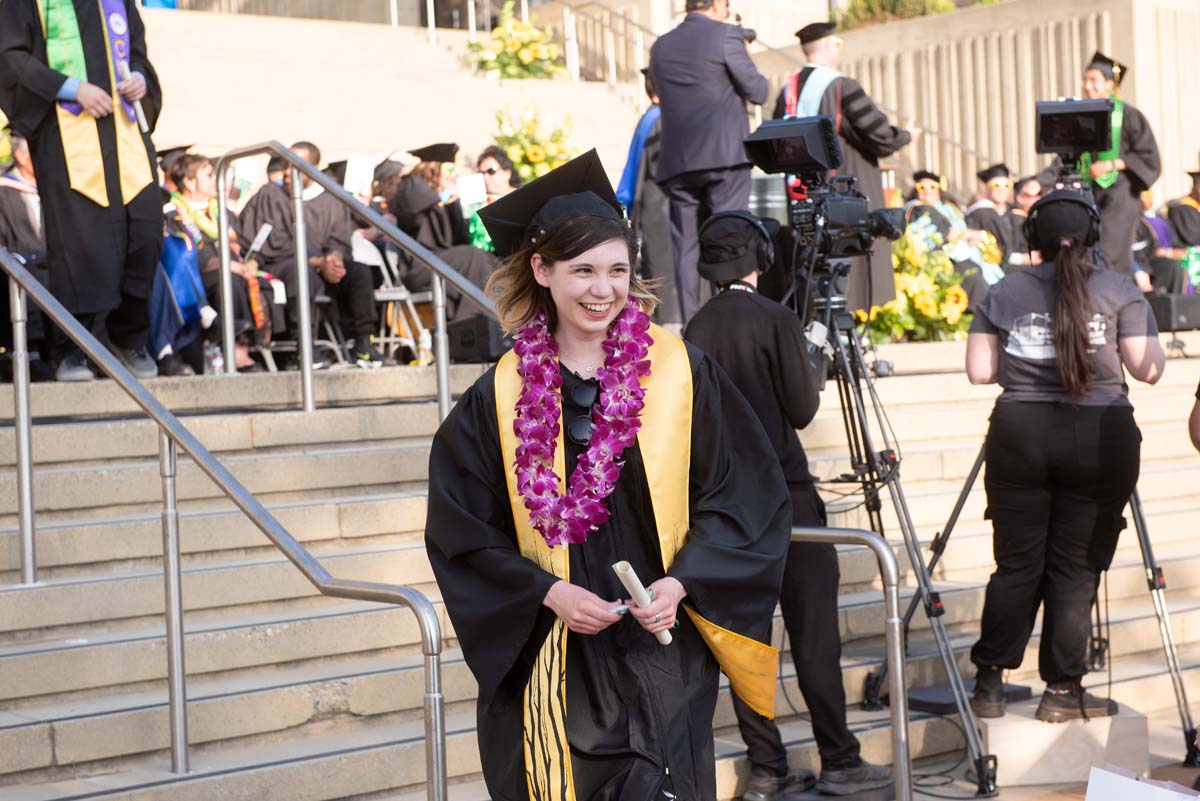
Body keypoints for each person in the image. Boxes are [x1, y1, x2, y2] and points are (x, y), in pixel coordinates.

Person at [425, 150, 791, 801]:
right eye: (583, 269)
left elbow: (742, 494)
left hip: (661, 645)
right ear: (541, 270)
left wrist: (685, 582)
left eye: (618, 269)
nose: (604, 288)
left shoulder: (681, 372)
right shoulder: (499, 397)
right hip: (557, 650)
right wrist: (546, 592)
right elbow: (463, 531)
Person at [684, 212, 893, 800]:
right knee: (814, 635)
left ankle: (767, 767)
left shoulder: (692, 330)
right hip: (789, 497)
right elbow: (802, 411)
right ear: (759, 261)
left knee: (746, 640)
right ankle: (840, 759)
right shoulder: (776, 318)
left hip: (724, 506)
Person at [965, 189, 1165, 722]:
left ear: (1033, 239)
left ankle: (989, 682)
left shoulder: (1003, 289)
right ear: (1093, 237)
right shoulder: (1119, 289)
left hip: (1020, 435)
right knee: (1077, 568)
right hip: (1099, 437)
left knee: (1016, 563)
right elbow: (1147, 368)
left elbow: (980, 372)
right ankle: (1060, 692)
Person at [0, 0, 164, 382]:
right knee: (78, 243)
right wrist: (70, 88)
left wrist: (139, 75)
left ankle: (128, 337)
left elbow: (137, 52)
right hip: (69, 135)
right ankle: (73, 349)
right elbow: (10, 58)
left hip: (126, 137)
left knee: (145, 232)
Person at [772, 21, 913, 310]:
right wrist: (906, 135)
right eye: (837, 43)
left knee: (811, 250)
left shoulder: (789, 91)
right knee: (848, 253)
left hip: (804, 190)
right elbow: (879, 136)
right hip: (844, 183)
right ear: (826, 45)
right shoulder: (840, 85)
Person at [649, 0, 768, 323]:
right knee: (729, 237)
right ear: (717, 3)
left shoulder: (660, 46)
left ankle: (695, 325)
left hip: (678, 162)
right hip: (724, 156)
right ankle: (732, 322)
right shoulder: (726, 37)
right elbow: (758, 91)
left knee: (686, 248)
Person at [238, 141, 382, 366]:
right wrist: (317, 261)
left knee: (359, 272)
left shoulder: (330, 199)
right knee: (302, 273)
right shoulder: (271, 195)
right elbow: (272, 244)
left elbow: (339, 240)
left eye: (294, 166)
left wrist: (334, 257)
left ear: (314, 168)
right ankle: (303, 348)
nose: (287, 172)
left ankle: (364, 344)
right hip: (284, 265)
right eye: (285, 165)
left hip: (323, 267)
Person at [166, 153, 267, 371]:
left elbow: (243, 243)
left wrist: (252, 262)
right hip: (195, 278)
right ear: (189, 182)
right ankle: (238, 354)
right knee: (228, 282)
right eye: (209, 175)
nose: (215, 179)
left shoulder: (221, 210)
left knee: (264, 284)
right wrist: (228, 265)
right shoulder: (174, 213)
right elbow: (183, 252)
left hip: (237, 270)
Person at [1075, 51, 1161, 278]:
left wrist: (1114, 163)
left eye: (1093, 80)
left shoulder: (1130, 116)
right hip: (1090, 193)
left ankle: (1112, 306)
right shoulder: (1082, 118)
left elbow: (1149, 157)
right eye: (1085, 80)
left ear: (1110, 84)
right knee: (1086, 253)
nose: (1087, 86)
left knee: (1110, 254)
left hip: (1121, 194)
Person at [390, 170, 497, 321]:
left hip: (447, 263)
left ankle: (491, 324)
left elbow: (457, 238)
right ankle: (474, 323)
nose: (453, 175)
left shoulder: (449, 198)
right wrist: (443, 195)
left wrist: (459, 203)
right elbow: (410, 209)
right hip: (420, 265)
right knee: (472, 256)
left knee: (486, 260)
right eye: (448, 170)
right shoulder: (412, 186)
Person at [617, 69, 679, 328]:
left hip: (644, 206)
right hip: (659, 209)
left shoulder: (649, 118)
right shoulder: (663, 120)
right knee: (664, 276)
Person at [905, 170, 1003, 310]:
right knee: (976, 282)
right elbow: (947, 234)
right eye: (922, 188)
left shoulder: (950, 208)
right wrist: (970, 234)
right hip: (944, 260)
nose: (927, 192)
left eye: (932, 187)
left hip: (967, 256)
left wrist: (971, 238)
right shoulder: (918, 208)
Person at [0, 129, 53, 381]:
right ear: (20, 155)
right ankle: (30, 351)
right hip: (16, 266)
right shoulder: (3, 189)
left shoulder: (50, 191)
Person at [467, 145, 521, 253]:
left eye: (491, 171)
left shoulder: (521, 198)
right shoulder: (476, 201)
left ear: (507, 172)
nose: (485, 177)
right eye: (481, 174)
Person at [1133, 191, 1186, 294]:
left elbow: (1173, 242)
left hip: (1161, 257)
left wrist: (1172, 252)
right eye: (1144, 197)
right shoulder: (1136, 221)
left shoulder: (1161, 219)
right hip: (1145, 263)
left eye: (1149, 197)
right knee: (1174, 266)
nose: (1148, 200)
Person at [967, 164, 1015, 267]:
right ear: (987, 188)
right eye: (996, 185)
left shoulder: (1014, 212)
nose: (1001, 190)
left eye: (1006, 186)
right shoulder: (981, 213)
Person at [1004, 175, 1042, 268]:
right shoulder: (1014, 220)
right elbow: (1007, 255)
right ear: (1020, 198)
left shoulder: (1031, 219)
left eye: (1038, 195)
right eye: (1031, 196)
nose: (1037, 199)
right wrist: (1026, 258)